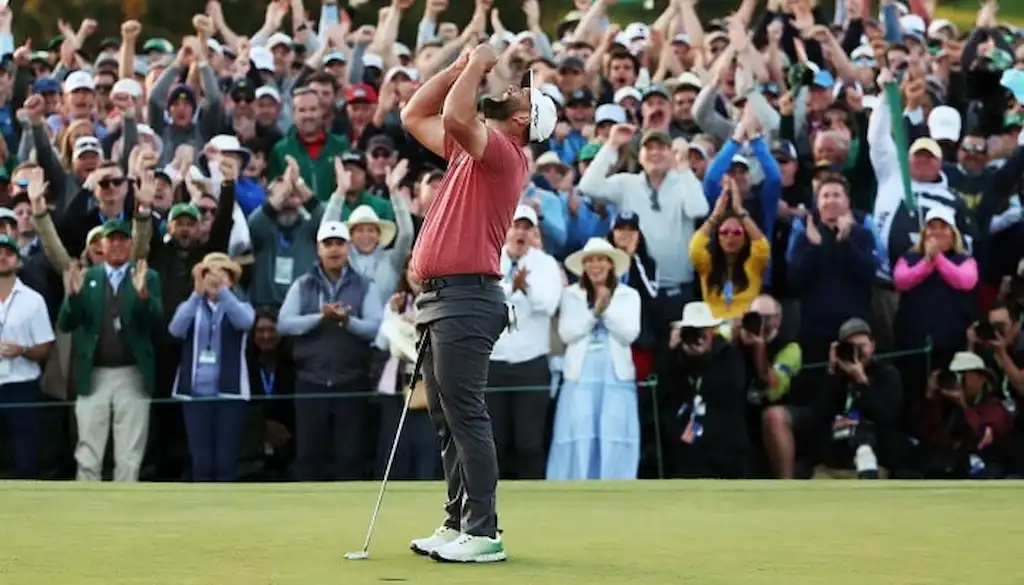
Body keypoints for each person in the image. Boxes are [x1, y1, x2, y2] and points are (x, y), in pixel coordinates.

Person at [401, 39, 556, 563]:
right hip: (443, 299)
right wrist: (458, 66)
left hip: (468, 297)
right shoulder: (471, 150)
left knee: (466, 415)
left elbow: (452, 113)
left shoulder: (507, 156)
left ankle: (484, 531)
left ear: (523, 120)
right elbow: (413, 114)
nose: (510, 89)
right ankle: (457, 522)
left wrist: (480, 63)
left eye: (520, 94)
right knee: (447, 419)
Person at [57, 220, 163, 482]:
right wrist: (73, 298)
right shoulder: (88, 277)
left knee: (129, 451)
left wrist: (143, 298)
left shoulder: (147, 276)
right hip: (94, 373)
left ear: (130, 243)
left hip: (133, 372)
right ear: (101, 245)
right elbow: (67, 323)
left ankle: (124, 503)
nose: (116, 244)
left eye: (122, 239)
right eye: (111, 239)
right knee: (88, 449)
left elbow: (157, 324)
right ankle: (86, 502)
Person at [548, 238, 641, 480]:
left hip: (616, 375)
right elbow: (567, 333)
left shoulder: (629, 295)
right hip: (580, 375)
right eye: (589, 260)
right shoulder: (571, 295)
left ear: (611, 265)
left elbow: (629, 333)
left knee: (614, 432)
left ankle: (616, 485)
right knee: (579, 431)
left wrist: (605, 310)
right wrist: (594, 313)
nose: (595, 265)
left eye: (600, 260)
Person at [168, 253, 255, 482]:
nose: (215, 279)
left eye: (222, 274)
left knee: (225, 461)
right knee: (201, 461)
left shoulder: (241, 305)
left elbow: (245, 322)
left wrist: (224, 293)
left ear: (232, 280)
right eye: (209, 273)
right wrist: (196, 294)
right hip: (195, 395)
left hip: (230, 394)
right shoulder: (191, 305)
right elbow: (176, 329)